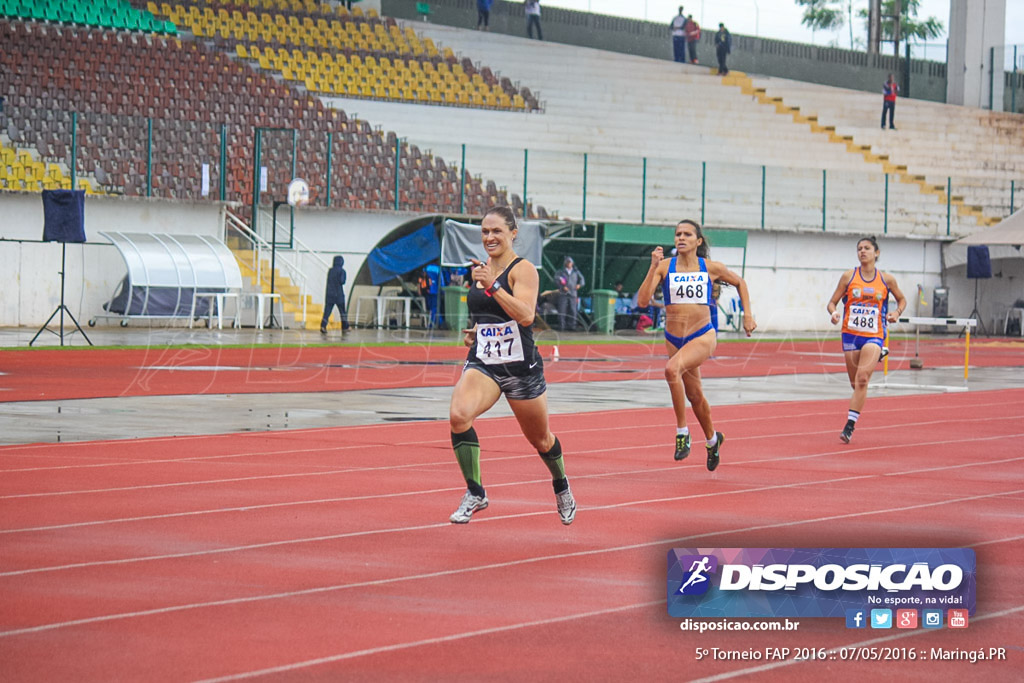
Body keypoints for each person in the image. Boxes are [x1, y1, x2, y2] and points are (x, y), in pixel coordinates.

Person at [448, 206, 576, 525]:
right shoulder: (479, 271)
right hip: (485, 362)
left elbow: (526, 316)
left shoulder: (524, 270)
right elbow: (490, 316)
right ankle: (475, 491)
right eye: (485, 232)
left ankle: (561, 485)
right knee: (459, 415)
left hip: (521, 369)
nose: (489, 237)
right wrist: (477, 332)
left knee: (541, 439)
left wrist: (494, 285)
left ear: (512, 233)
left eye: (497, 232)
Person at [637, 219, 756, 470]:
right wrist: (652, 267)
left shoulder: (710, 268)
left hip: (702, 334)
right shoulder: (665, 267)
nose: (681, 238)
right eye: (678, 234)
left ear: (698, 241)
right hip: (674, 338)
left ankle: (682, 433)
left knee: (671, 370)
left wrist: (747, 315)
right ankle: (713, 440)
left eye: (687, 234)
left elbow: (740, 283)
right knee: (695, 395)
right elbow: (643, 301)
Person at [826, 236, 907, 444]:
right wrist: (834, 313)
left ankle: (849, 427)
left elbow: (902, 299)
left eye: (867, 248)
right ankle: (877, 356)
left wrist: (896, 313)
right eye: (859, 248)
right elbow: (832, 303)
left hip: (874, 334)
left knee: (863, 379)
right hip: (851, 335)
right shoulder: (848, 277)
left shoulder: (886, 280)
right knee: (856, 384)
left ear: (876, 253)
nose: (863, 251)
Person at [554, 255, 584, 331]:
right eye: (567, 262)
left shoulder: (576, 272)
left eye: (570, 262)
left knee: (573, 310)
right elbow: (556, 280)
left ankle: (572, 326)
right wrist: (562, 287)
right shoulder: (561, 272)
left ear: (572, 263)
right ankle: (562, 326)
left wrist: (579, 285)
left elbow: (582, 280)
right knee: (562, 310)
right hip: (563, 293)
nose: (568, 264)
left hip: (573, 293)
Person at [320, 255, 349, 333]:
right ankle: (345, 327)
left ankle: (323, 326)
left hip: (329, 294)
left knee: (327, 312)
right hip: (339, 294)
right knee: (342, 311)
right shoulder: (342, 271)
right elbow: (342, 281)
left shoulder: (330, 271)